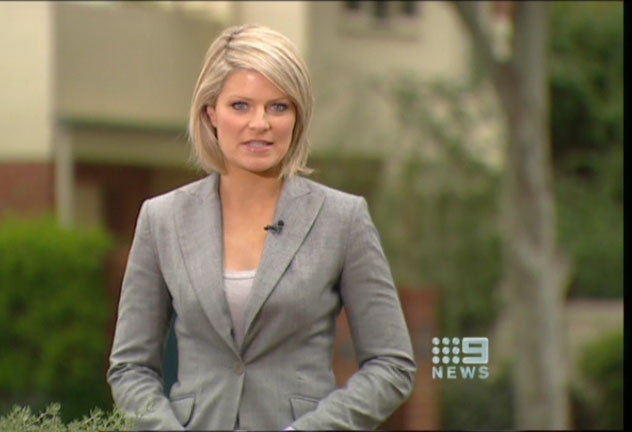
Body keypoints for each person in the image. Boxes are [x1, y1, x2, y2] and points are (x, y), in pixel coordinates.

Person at [107, 23, 416, 430]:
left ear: (297, 117)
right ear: (211, 113)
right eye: (240, 106)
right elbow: (130, 369)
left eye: (278, 107)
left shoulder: (343, 219)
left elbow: (392, 366)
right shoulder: (162, 219)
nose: (260, 123)